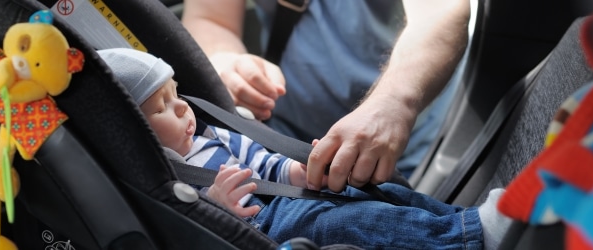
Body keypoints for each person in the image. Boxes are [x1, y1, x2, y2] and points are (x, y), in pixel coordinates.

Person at [97, 48, 510, 249]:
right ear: (134, 130)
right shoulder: (165, 175)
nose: (182, 107)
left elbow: (262, 163)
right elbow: (192, 224)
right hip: (263, 223)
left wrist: (302, 171)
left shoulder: (210, 136)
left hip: (287, 195)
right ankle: (467, 237)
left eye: (176, 94)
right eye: (162, 107)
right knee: (352, 223)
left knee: (374, 194)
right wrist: (220, 204)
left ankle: (466, 219)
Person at [181, 0, 470, 191]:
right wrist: (224, 60)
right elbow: (211, 18)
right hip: (279, 138)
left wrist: (393, 103)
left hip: (404, 152)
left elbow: (442, 11)